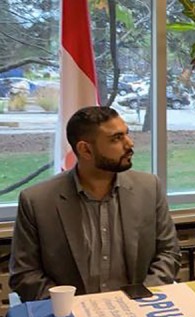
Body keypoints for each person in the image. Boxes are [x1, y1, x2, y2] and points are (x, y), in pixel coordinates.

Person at [9, 106, 180, 301]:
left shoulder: (149, 188)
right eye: (116, 138)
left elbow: (169, 253)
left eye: (127, 134)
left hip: (140, 311)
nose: (129, 144)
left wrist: (144, 296)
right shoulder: (37, 201)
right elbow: (25, 274)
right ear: (86, 150)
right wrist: (73, 307)